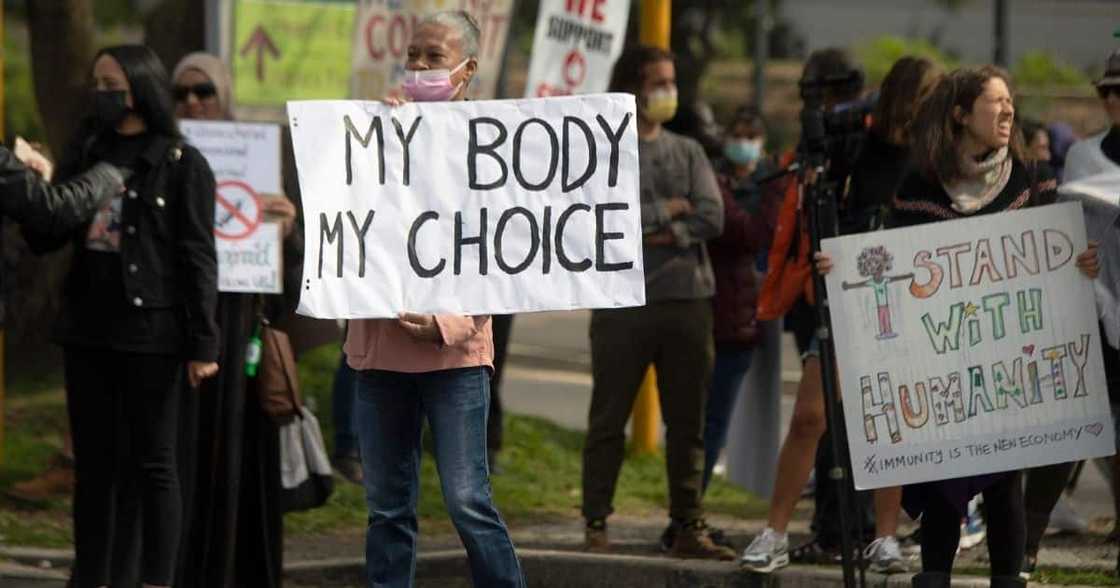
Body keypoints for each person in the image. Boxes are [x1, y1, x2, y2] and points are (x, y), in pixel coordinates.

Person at [869, 65, 1098, 588]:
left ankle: (1007, 579)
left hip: (1010, 365)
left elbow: (1054, 257)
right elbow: (891, 264)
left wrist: (1080, 264)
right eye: (995, 102)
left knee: (1004, 482)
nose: (1007, 111)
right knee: (945, 479)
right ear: (959, 114)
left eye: (1010, 102)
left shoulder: (1031, 180)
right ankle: (934, 577)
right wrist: (849, 275)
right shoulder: (919, 187)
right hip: (943, 366)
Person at [22, 44, 220, 588]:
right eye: (97, 83)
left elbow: (199, 255)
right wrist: (37, 187)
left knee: (155, 464)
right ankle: (92, 573)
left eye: (112, 82)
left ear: (140, 87)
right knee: (94, 468)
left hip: (152, 334)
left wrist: (204, 342)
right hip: (88, 328)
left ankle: (156, 579)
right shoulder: (88, 149)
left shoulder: (180, 161)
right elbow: (47, 233)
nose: (102, 93)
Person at [742, 53, 941, 574]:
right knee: (810, 416)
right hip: (849, 297)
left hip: (906, 306)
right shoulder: (860, 148)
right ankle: (774, 532)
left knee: (891, 422)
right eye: (924, 95)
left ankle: (884, 538)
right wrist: (829, 246)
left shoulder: (931, 160)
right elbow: (831, 212)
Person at [348, 11, 524, 588]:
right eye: (414, 55)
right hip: (379, 355)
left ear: (467, 70)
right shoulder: (375, 130)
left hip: (454, 359)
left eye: (435, 58)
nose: (419, 67)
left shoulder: (491, 148)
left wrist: (448, 325)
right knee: (387, 509)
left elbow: (499, 252)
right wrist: (371, 138)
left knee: (469, 503)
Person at [581, 44, 732, 561]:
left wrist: (656, 227)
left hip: (687, 300)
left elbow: (713, 216)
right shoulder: (606, 152)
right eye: (657, 82)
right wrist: (667, 213)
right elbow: (601, 217)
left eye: (671, 81)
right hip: (622, 302)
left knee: (688, 421)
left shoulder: (688, 151)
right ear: (633, 87)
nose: (667, 91)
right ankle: (596, 521)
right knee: (608, 418)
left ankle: (688, 521)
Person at [169, 51, 304, 588]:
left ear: (224, 95)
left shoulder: (260, 161)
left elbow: (292, 275)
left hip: (240, 327)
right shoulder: (160, 157)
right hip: (175, 333)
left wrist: (287, 228)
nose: (193, 104)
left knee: (238, 464)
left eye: (204, 92)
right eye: (180, 95)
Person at [1061, 47, 1120, 575]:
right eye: (1111, 92)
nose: (1117, 100)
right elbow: (1062, 230)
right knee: (1110, 424)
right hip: (1100, 308)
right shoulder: (1083, 158)